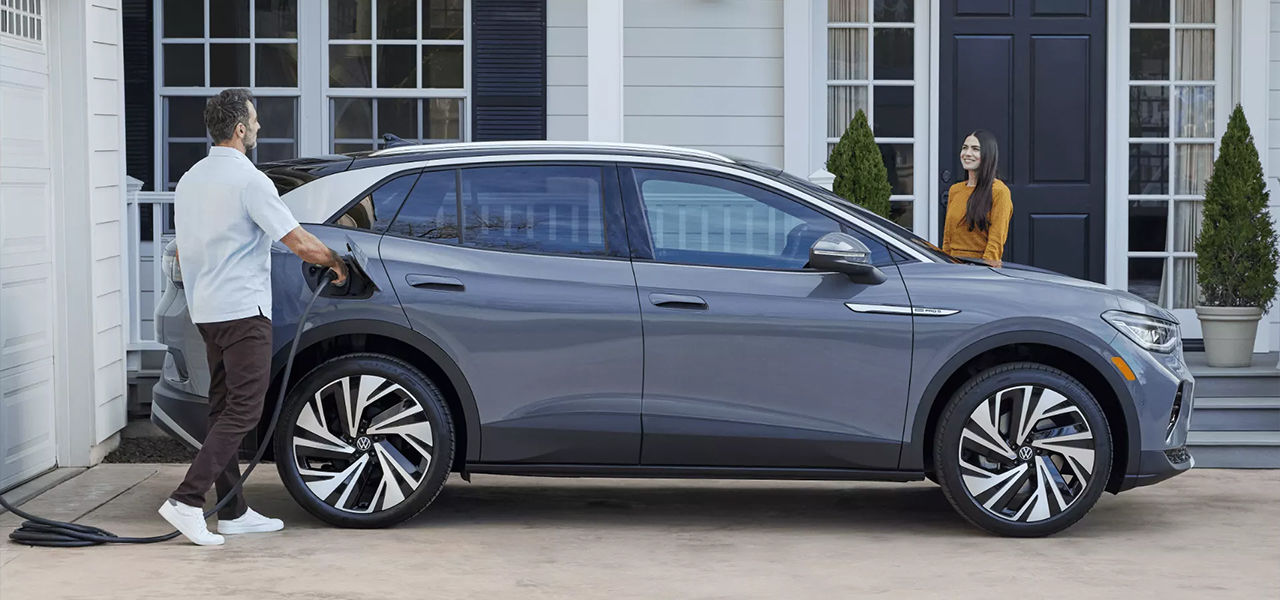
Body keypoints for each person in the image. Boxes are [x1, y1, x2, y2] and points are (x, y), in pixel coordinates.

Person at [158, 88, 348, 546]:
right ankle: (187, 500)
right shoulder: (250, 181)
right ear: (240, 129)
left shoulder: (190, 180)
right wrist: (336, 261)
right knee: (244, 408)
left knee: (223, 407)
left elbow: (184, 248)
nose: (260, 128)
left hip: (207, 311)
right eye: (256, 122)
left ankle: (234, 512)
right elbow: (296, 240)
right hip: (243, 311)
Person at [941, 129, 1012, 265]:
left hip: (979, 269)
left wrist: (983, 271)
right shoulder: (955, 190)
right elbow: (947, 239)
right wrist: (944, 265)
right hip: (953, 268)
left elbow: (995, 242)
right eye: (965, 148)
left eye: (975, 149)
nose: (967, 154)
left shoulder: (999, 191)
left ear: (988, 154)